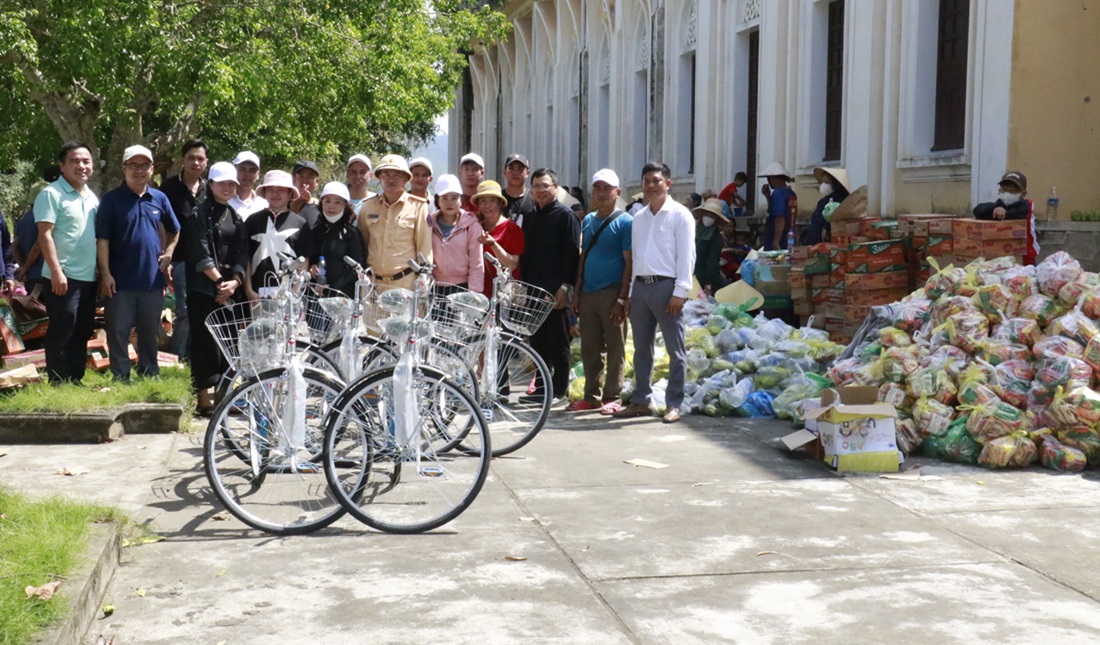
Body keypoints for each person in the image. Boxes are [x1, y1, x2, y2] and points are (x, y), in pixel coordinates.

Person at [613, 162, 695, 423]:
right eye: (646, 181)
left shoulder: (680, 215)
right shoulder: (639, 217)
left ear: (667, 184)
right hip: (642, 288)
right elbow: (636, 258)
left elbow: (686, 255)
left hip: (667, 286)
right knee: (641, 348)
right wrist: (629, 295)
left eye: (656, 180)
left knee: (675, 350)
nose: (651, 186)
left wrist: (680, 291)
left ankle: (674, 403)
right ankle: (641, 400)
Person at [95, 145, 180, 381]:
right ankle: (121, 375)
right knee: (119, 332)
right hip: (119, 280)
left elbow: (175, 230)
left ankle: (149, 371)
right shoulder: (111, 200)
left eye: (144, 165)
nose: (139, 170)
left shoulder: (159, 198)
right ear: (124, 168)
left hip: (152, 280)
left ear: (152, 169)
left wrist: (169, 252)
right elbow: (102, 240)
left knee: (149, 331)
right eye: (133, 165)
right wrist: (105, 274)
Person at [182, 161, 247, 414]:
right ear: (211, 184)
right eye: (222, 183)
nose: (227, 187)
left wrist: (236, 281)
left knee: (229, 343)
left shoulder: (236, 216)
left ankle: (224, 395)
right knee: (203, 342)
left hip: (230, 289)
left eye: (232, 183)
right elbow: (200, 252)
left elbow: (243, 253)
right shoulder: (197, 214)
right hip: (204, 289)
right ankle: (202, 398)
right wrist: (219, 282)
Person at [34, 141, 99, 384]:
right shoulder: (51, 193)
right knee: (63, 329)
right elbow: (45, 235)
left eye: (86, 161)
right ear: (62, 166)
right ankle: (59, 380)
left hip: (88, 277)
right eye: (74, 161)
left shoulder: (92, 196)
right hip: (62, 276)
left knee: (82, 329)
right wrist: (56, 271)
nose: (81, 165)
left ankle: (75, 378)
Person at [568, 169, 632, 414]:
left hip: (611, 291)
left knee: (616, 346)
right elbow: (583, 257)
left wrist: (622, 298)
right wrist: (577, 292)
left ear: (617, 192)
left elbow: (629, 262)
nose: (602, 193)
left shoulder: (625, 221)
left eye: (608, 188)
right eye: (598, 188)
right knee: (590, 348)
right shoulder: (588, 220)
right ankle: (591, 396)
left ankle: (612, 396)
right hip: (588, 293)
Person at [522, 168, 581, 401]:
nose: (540, 190)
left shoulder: (566, 216)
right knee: (538, 343)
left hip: (557, 291)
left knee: (559, 343)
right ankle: (540, 390)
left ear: (555, 188)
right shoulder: (530, 215)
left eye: (545, 186)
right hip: (534, 290)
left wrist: (566, 287)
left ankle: (558, 389)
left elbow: (572, 255)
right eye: (536, 186)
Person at [160, 138, 209, 361]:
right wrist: (165, 258)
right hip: (178, 260)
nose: (195, 163)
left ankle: (195, 355)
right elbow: (161, 225)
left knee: (202, 312)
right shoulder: (169, 188)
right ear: (182, 160)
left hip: (206, 262)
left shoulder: (211, 189)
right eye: (191, 158)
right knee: (184, 312)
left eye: (200, 159)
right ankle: (177, 358)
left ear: (206, 162)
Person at [357, 154, 432, 290]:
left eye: (397, 175)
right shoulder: (368, 207)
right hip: (373, 283)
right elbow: (363, 242)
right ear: (379, 178)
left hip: (405, 283)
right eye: (386, 174)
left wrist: (424, 278)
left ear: (406, 179)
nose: (391, 179)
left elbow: (424, 247)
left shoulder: (418, 206)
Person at [245, 170, 309, 300]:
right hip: (256, 294)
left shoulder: (300, 223)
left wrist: (294, 291)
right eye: (270, 189)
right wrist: (249, 291)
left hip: (289, 295)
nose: (275, 194)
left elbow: (304, 260)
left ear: (290, 193)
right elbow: (246, 258)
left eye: (281, 190)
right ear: (264, 193)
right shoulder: (252, 221)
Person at [428, 174, 484, 294]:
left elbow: (476, 262)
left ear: (461, 200)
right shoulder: (428, 223)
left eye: (454, 198)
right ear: (437, 200)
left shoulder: (472, 225)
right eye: (444, 198)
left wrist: (474, 293)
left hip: (462, 287)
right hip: (433, 287)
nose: (450, 203)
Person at [308, 182, 365, 298]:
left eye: (337, 202)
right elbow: (311, 258)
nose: (331, 206)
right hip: (316, 295)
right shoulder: (316, 231)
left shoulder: (351, 233)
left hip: (342, 296)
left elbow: (358, 267)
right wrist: (312, 267)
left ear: (345, 205)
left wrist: (333, 288)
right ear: (321, 203)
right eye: (327, 201)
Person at [974, 171, 1039, 266]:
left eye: (1012, 190)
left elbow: (1013, 214)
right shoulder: (1000, 204)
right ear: (999, 191)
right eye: (1004, 189)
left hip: (1026, 258)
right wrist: (995, 208)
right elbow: (978, 210)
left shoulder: (1026, 206)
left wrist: (1000, 212)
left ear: (1023, 194)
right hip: (1004, 259)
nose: (1007, 193)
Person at [474, 180, 524, 298]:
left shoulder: (512, 229)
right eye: (483, 201)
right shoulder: (475, 227)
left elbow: (512, 265)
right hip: (479, 294)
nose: (487, 205)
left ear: (500, 203)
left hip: (503, 296)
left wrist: (493, 245)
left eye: (492, 200)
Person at [14, 165, 59, 292]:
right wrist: (26, 267)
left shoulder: (25, 218)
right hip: (44, 277)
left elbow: (14, 245)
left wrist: (23, 267)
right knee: (46, 311)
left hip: (30, 278)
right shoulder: (44, 217)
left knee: (33, 311)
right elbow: (39, 245)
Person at [803, 167, 851, 245]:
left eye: (826, 182)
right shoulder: (823, 201)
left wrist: (827, 227)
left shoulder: (845, 201)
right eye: (823, 182)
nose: (823, 185)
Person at [692, 198, 730, 295]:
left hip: (704, 278)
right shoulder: (693, 230)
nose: (708, 217)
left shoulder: (716, 237)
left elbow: (712, 262)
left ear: (716, 219)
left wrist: (709, 283)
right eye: (706, 214)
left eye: (712, 216)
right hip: (689, 276)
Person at [759, 161, 797, 250]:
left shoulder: (778, 193)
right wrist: (768, 197)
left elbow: (780, 217)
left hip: (779, 239)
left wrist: (776, 241)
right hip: (789, 237)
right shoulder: (791, 193)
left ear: (773, 178)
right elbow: (775, 211)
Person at [227, 151, 268, 219]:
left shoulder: (264, 205)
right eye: (242, 169)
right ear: (234, 171)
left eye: (252, 170)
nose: (247, 174)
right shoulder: (225, 200)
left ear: (258, 175)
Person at [501, 153, 537, 227]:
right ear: (504, 172)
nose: (516, 173)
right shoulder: (498, 198)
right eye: (511, 168)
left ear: (527, 173)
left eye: (520, 169)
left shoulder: (535, 198)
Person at [289, 160, 321, 227]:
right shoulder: (283, 204)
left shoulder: (322, 207)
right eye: (301, 176)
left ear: (317, 181)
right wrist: (298, 202)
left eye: (310, 177)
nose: (305, 180)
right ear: (293, 180)